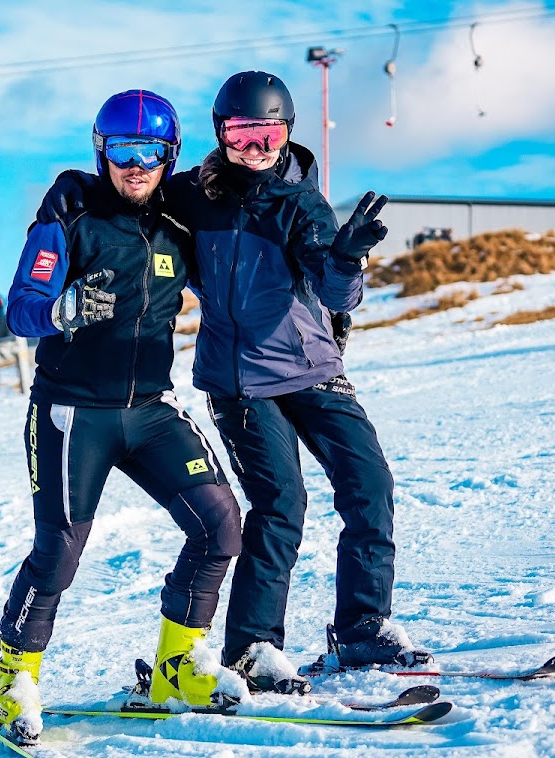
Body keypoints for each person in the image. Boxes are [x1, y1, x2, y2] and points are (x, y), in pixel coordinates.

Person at [165, 71, 432, 693]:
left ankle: (363, 626)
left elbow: (338, 295)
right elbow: (134, 201)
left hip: (312, 369)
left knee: (370, 485)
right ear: (220, 134)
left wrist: (347, 258)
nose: (256, 148)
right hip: (240, 383)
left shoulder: (303, 205)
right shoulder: (192, 197)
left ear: (287, 132)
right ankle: (253, 648)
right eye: (242, 134)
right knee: (281, 505)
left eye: (269, 134)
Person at [0, 89, 243, 744]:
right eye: (124, 151)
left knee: (219, 525)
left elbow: (236, 284)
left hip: (150, 410)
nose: (137, 165)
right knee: (58, 554)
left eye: (151, 151)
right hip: (72, 413)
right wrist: (62, 308)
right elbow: (21, 307)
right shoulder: (70, 213)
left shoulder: (177, 225)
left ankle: (176, 667)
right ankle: (15, 679)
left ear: (170, 156)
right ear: (102, 152)